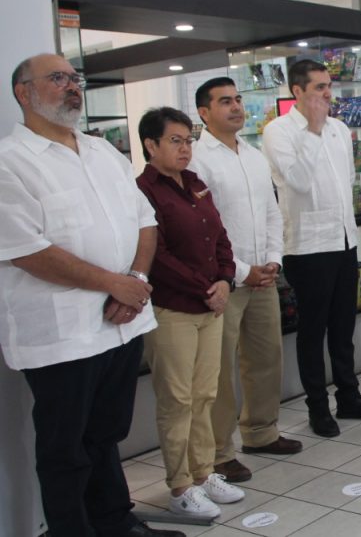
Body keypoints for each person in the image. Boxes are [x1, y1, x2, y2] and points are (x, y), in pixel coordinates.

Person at [0, 55, 182, 537]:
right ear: (23, 92)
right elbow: (26, 251)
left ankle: (115, 522)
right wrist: (114, 284)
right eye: (57, 78)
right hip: (63, 335)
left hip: (122, 322)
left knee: (107, 435)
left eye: (74, 78)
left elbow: (145, 221)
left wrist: (135, 279)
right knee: (65, 449)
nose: (72, 87)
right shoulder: (9, 161)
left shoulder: (103, 151)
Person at [262, 60, 361, 438]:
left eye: (328, 86)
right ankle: (317, 406)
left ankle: (349, 396)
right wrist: (313, 129)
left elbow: (347, 180)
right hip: (307, 245)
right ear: (297, 91)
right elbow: (299, 181)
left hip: (343, 239)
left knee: (342, 326)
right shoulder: (278, 131)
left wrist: (323, 126)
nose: (326, 94)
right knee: (312, 330)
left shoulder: (338, 128)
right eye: (318, 87)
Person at [190, 78, 302, 485]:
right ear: (204, 112)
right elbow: (205, 228)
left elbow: (273, 212)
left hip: (263, 276)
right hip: (223, 281)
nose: (236, 107)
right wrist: (241, 270)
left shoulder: (253, 156)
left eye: (238, 99)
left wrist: (272, 260)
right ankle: (220, 452)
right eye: (225, 102)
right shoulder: (197, 160)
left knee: (266, 356)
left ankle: (260, 432)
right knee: (219, 370)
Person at [136, 107, 246, 520]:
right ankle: (180, 486)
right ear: (151, 145)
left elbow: (220, 237)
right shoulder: (144, 191)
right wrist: (206, 289)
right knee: (177, 400)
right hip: (173, 309)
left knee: (205, 395)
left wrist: (225, 280)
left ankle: (203, 473)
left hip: (210, 305)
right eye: (175, 141)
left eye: (188, 141)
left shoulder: (195, 184)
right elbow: (157, 256)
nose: (185, 149)